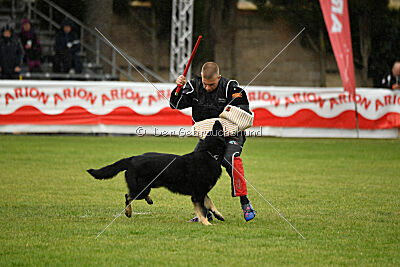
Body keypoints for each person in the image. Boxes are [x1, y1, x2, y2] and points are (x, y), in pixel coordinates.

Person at [169, 62, 256, 222]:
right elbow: (175, 104)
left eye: (212, 84)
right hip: (208, 137)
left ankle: (245, 203)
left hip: (232, 134)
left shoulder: (232, 87)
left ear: (219, 78)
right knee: (195, 169)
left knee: (229, 161)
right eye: (205, 84)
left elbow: (244, 110)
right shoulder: (194, 86)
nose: (207, 88)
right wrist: (178, 88)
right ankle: (204, 212)